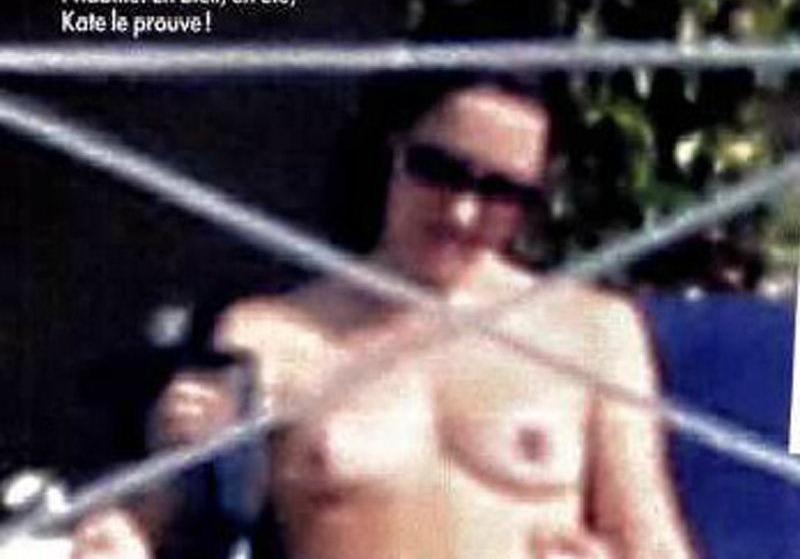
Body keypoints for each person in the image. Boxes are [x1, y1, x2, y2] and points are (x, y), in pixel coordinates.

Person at [72, 74, 694, 559]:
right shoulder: (272, 334)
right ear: (393, 153)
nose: (463, 214)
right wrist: (137, 507)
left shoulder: (593, 332)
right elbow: (155, 520)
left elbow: (653, 541)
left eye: (502, 192)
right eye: (440, 172)